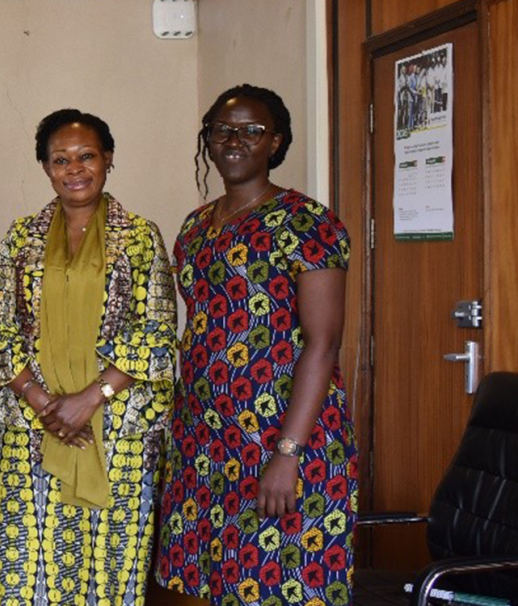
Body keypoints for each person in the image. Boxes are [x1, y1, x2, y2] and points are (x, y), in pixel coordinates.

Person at [155, 84, 356, 606]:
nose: (234, 140)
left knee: (278, 581)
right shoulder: (195, 227)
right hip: (204, 439)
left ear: (275, 142)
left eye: (251, 130)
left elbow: (323, 344)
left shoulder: (307, 223)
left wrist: (287, 453)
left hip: (280, 435)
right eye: (222, 130)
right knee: (209, 582)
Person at [0, 109, 177, 605]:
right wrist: (41, 399)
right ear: (46, 168)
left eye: (86, 156)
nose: (75, 169)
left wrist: (90, 398)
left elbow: (156, 330)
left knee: (109, 574)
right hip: (31, 429)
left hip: (119, 432)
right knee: (22, 575)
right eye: (61, 159)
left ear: (108, 159)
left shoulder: (140, 237)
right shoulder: (21, 236)